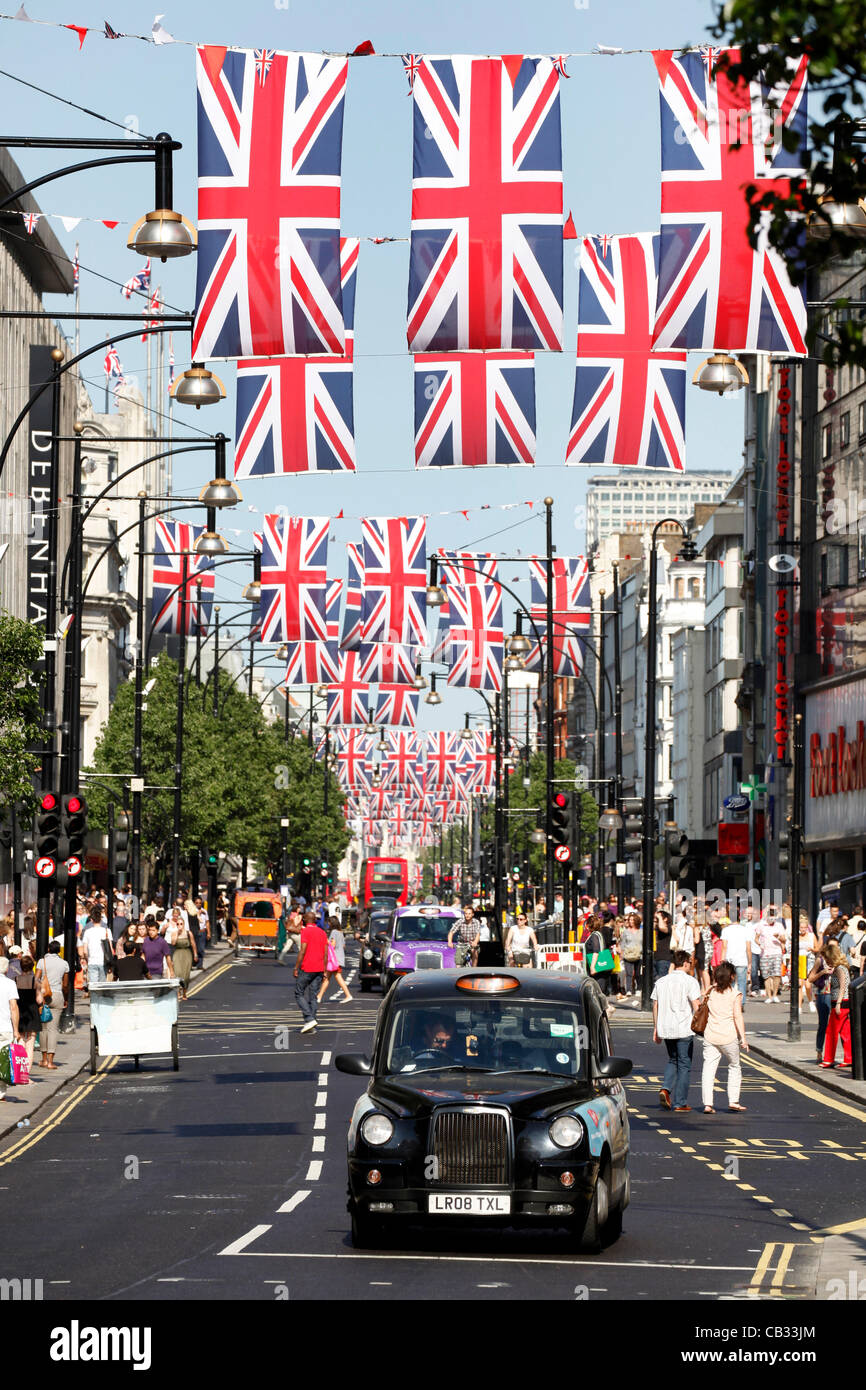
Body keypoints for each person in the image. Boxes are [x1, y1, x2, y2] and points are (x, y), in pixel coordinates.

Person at [652, 949, 701, 1112]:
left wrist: (656, 1028)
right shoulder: (690, 981)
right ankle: (680, 1102)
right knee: (685, 1064)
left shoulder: (661, 981)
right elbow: (696, 1005)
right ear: (686, 963)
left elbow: (655, 1006)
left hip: (666, 1027)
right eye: (690, 963)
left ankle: (665, 1089)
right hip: (684, 1027)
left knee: (673, 1059)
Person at [701, 962, 749, 1114]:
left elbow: (704, 1007)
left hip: (710, 1035)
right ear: (732, 977)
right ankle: (733, 1101)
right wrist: (743, 1038)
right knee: (734, 1066)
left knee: (708, 1069)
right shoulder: (735, 994)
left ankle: (708, 1104)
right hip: (728, 1036)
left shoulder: (710, 991)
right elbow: (737, 1016)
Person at [35, 939, 69, 1069]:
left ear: (48, 949)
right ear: (59, 951)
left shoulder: (41, 962)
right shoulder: (64, 964)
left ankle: (43, 1060)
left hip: (44, 996)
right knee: (53, 1029)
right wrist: (65, 998)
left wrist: (40, 992)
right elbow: (65, 985)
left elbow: (36, 979)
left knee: (43, 1029)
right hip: (57, 995)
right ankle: (50, 1061)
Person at [294, 911, 329, 1033]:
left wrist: (296, 967)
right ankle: (312, 1023)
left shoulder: (305, 932)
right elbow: (326, 953)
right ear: (315, 920)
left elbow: (302, 950)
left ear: (304, 920)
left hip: (307, 967)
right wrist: (324, 969)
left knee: (299, 993)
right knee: (313, 996)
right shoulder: (322, 932)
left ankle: (309, 1019)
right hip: (319, 968)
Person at [821, 941, 852, 1069]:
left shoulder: (839, 969)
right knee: (845, 1032)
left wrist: (838, 1003)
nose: (826, 961)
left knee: (831, 1031)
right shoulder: (840, 967)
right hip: (843, 1002)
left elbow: (843, 987)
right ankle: (849, 1058)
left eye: (827, 958)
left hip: (840, 1003)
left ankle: (828, 1059)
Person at [14, 954, 40, 1074]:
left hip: (20, 1012)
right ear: (32, 966)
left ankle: (19, 1071)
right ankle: (26, 1075)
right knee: (30, 1044)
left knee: (20, 1042)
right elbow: (39, 1000)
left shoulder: (16, 980)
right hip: (32, 1012)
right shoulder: (35, 980)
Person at [720, 911, 754, 1002]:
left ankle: (730, 1003)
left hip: (729, 959)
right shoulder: (745, 930)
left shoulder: (725, 930)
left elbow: (724, 947)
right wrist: (750, 962)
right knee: (741, 983)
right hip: (742, 960)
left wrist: (722, 960)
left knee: (729, 983)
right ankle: (741, 1003)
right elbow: (748, 948)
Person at [318, 916, 352, 1004]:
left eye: (329, 922)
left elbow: (332, 945)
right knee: (327, 978)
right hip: (339, 957)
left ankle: (348, 995)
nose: (328, 924)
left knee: (337, 977)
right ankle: (319, 996)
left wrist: (325, 940)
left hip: (334, 959)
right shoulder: (340, 932)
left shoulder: (334, 932)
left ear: (331, 923)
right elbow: (343, 946)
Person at [756, 908, 786, 1003]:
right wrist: (760, 944)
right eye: (770, 917)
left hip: (777, 952)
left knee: (777, 974)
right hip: (765, 953)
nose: (771, 919)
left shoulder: (779, 926)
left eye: (773, 917)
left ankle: (775, 995)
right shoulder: (761, 925)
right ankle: (769, 996)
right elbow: (756, 938)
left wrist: (779, 937)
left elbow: (784, 940)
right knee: (766, 975)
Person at [0, 957, 20, 1102]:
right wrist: (16, 1030)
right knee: (3, 1061)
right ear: (7, 969)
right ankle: (0, 1093)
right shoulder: (10, 984)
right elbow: (14, 1007)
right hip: (5, 1028)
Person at [80, 907, 113, 990]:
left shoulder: (88, 932)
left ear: (91, 919)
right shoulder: (107, 931)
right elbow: (111, 948)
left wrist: (87, 959)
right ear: (101, 919)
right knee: (102, 985)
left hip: (92, 961)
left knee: (93, 985)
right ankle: (101, 1001)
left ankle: (94, 1002)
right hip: (103, 961)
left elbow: (85, 951)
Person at [167, 909, 197, 1000]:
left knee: (186, 975)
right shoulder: (174, 933)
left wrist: (195, 954)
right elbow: (173, 943)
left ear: (184, 924)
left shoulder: (189, 933)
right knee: (178, 973)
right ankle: (178, 992)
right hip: (177, 954)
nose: (179, 925)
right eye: (178, 924)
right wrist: (177, 933)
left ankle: (184, 992)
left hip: (187, 954)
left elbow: (193, 944)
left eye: (181, 924)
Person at [619, 912, 643, 997]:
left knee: (638, 973)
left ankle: (639, 989)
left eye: (633, 920)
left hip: (639, 955)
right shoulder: (625, 932)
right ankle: (628, 990)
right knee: (629, 973)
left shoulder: (641, 931)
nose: (631, 921)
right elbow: (622, 943)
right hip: (628, 954)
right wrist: (621, 954)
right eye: (630, 920)